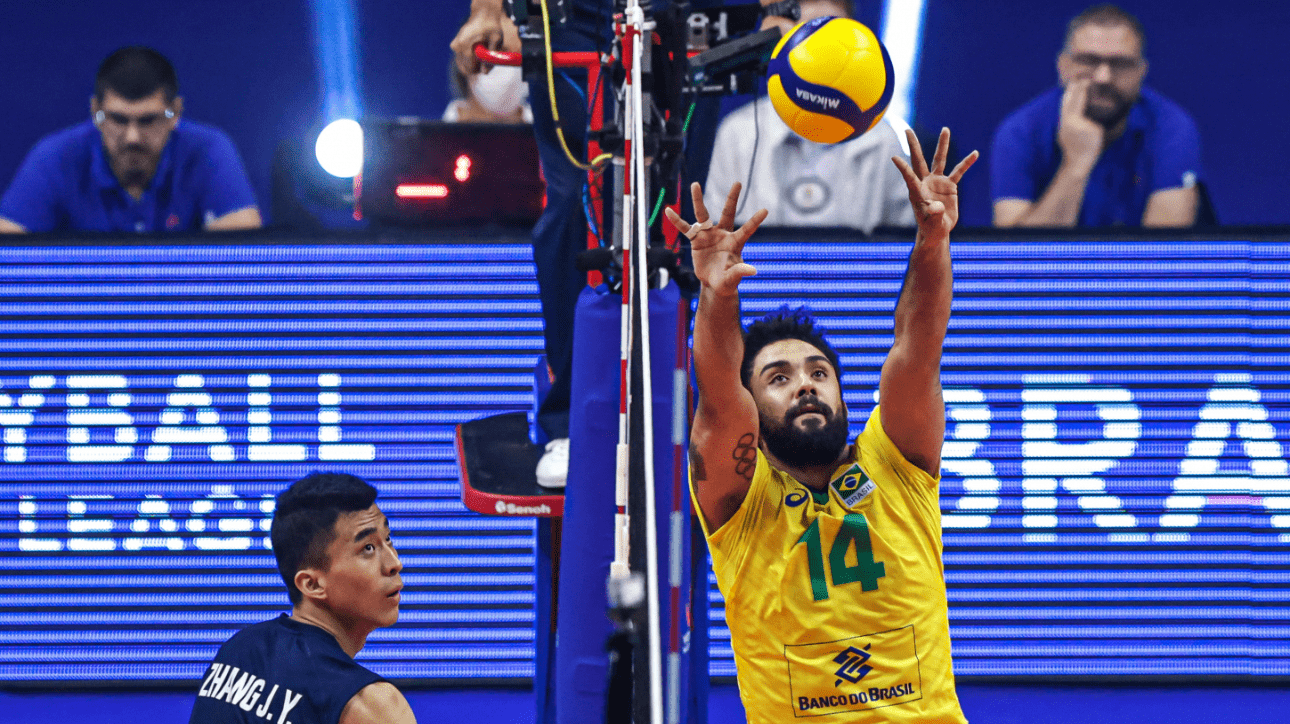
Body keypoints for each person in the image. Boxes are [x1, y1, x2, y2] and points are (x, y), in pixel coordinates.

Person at [666, 126, 976, 722]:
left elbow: (918, 345)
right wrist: (717, 295)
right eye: (778, 378)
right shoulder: (741, 500)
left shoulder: (897, 464)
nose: (805, 383)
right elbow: (718, 397)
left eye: (818, 372)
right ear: (754, 411)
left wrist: (933, 239)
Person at [451, 0, 797, 488]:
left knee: (678, 207)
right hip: (572, 18)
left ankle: (692, 416)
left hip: (691, 18)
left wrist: (777, 8)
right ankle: (569, 422)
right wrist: (487, 12)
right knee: (576, 198)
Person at [188, 472, 415, 724]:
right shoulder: (370, 706)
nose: (395, 563)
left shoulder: (237, 651)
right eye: (368, 549)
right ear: (312, 584)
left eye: (387, 539)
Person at [0, 46, 261, 234]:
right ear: (95, 112)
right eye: (118, 120)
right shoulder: (54, 157)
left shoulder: (208, 150)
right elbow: (6, 253)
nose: (132, 137)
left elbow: (244, 246)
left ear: (176, 113)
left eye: (148, 120)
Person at [705, 0, 915, 233]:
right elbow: (716, 239)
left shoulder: (884, 142)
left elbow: (900, 250)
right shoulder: (737, 134)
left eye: (834, 42)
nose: (822, 57)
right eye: (811, 41)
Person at [990, 3, 1202, 228]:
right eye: (1089, 61)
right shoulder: (1020, 132)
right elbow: (1018, 257)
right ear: (1063, 66)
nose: (1103, 77)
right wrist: (1076, 164)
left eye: (1120, 64)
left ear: (1141, 72)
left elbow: (1166, 253)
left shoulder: (1172, 128)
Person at [443, 14, 533, 124]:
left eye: (517, 51)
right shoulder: (427, 139)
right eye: (493, 50)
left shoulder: (556, 137)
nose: (506, 63)